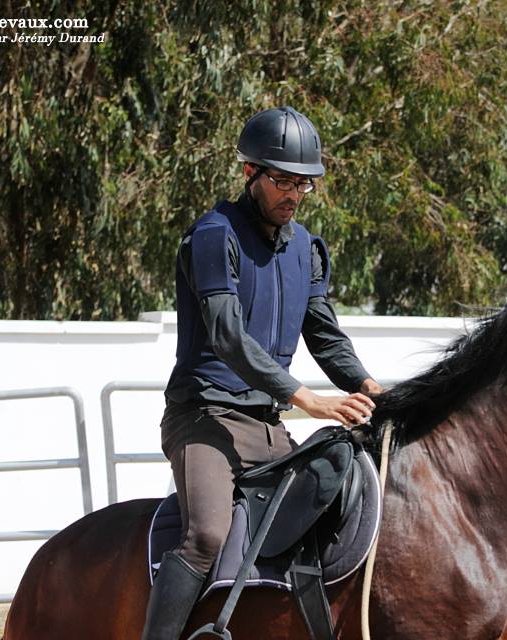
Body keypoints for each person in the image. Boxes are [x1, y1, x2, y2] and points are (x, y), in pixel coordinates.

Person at [141, 106, 384, 640]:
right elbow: (227, 336)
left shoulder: (306, 249)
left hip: (267, 426)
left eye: (303, 184)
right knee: (206, 534)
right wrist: (308, 400)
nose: (292, 195)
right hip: (202, 418)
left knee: (326, 513)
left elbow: (324, 335)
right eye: (281, 181)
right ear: (249, 172)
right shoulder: (214, 234)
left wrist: (369, 387)